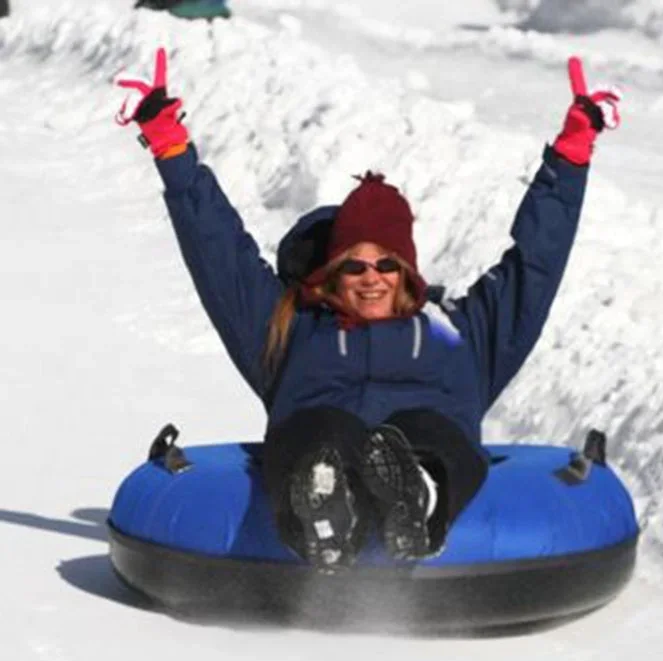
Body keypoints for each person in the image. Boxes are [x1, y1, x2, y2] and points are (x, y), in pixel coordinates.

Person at [115, 50, 621, 573]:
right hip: (318, 444)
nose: (371, 277)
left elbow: (533, 268)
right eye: (354, 266)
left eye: (386, 263)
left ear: (407, 270)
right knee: (319, 428)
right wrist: (171, 148)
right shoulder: (292, 330)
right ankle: (323, 503)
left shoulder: (459, 334)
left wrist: (570, 157)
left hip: (429, 450)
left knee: (426, 428)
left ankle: (418, 495)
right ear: (333, 272)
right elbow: (220, 254)